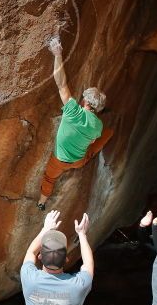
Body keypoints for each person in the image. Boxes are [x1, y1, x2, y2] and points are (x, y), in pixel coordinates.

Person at [37, 36, 112, 211]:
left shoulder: (73, 111)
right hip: (79, 161)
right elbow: (93, 141)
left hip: (60, 161)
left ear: (85, 101)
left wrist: (57, 53)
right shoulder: (98, 126)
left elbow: (61, 84)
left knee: (49, 178)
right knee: (105, 136)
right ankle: (102, 143)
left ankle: (41, 202)